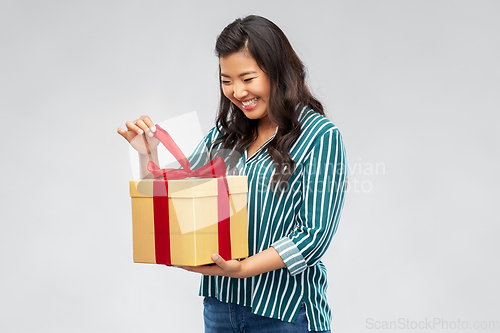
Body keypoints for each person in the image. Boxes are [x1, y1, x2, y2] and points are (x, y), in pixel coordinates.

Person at [118, 15, 347, 333]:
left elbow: (314, 235)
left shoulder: (319, 136)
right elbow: (172, 200)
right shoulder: (224, 135)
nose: (237, 91)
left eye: (248, 78)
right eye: (227, 80)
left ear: (278, 73)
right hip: (221, 308)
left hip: (285, 311)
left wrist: (244, 268)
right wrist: (148, 153)